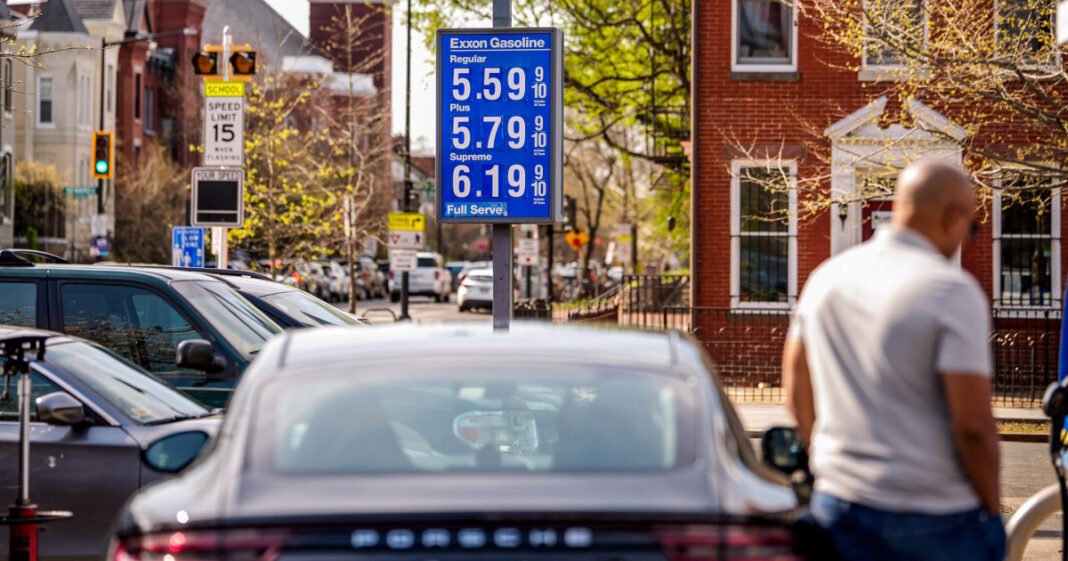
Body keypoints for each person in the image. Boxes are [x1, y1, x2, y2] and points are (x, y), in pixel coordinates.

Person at [783, 161, 1004, 560]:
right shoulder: (952, 291)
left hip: (837, 506)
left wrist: (829, 465)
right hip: (935, 515)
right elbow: (973, 426)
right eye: (972, 228)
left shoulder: (826, 279)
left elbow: (797, 389)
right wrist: (990, 508)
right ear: (954, 217)